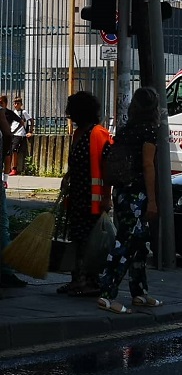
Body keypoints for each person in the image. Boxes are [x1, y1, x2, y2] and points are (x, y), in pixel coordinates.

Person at [97, 87, 161, 314]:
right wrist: (152, 200)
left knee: (139, 243)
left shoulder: (125, 130)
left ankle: (139, 292)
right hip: (137, 195)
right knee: (124, 243)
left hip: (121, 191)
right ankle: (106, 293)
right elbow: (147, 165)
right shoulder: (149, 132)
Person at [59, 91, 112, 296]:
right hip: (78, 196)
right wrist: (67, 176)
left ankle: (91, 282)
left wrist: (106, 197)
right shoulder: (78, 133)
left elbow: (106, 167)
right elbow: (76, 162)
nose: (68, 114)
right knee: (78, 240)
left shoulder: (98, 133)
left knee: (92, 243)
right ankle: (77, 280)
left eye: (71, 110)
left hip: (93, 199)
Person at [0, 95, 27, 288]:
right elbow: (8, 135)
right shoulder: (1, 113)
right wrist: (6, 154)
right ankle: (5, 271)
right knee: (2, 224)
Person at [9, 97, 33, 176]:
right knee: (9, 151)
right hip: (12, 133)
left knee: (14, 150)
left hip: (19, 134)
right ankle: (9, 168)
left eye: (17, 103)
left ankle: (14, 168)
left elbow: (31, 120)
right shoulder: (13, 112)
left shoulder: (23, 112)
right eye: (14, 103)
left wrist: (30, 131)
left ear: (21, 104)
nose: (15, 105)